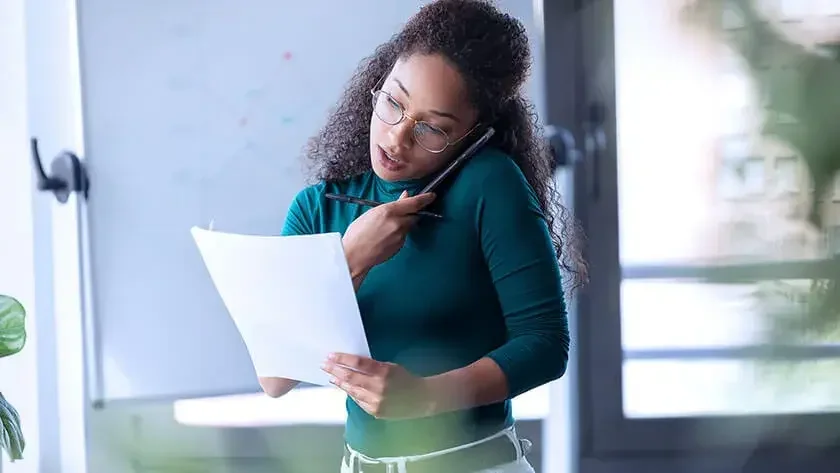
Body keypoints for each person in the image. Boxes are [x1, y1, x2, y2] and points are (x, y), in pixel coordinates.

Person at [260, 0, 587, 471]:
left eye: (432, 128)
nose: (396, 138)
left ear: (474, 134)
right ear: (375, 85)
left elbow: (545, 345)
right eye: (392, 102)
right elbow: (274, 379)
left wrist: (426, 398)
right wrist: (350, 260)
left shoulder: (489, 185)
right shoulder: (318, 208)